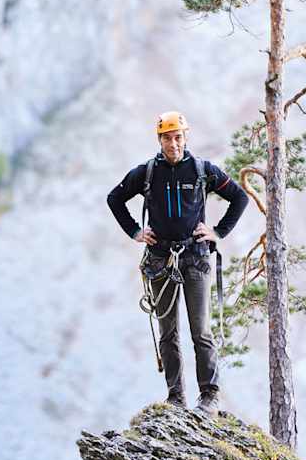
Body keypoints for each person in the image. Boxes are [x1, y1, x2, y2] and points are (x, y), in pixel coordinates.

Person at [106, 111, 249, 414]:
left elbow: (239, 198)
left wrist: (218, 231)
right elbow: (114, 199)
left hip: (195, 259)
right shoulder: (147, 173)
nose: (174, 144)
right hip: (160, 261)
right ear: (159, 140)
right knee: (168, 333)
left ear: (186, 137)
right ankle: (176, 398)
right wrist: (134, 231)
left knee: (200, 331)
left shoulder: (202, 171)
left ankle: (209, 395)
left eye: (178, 137)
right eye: (168, 138)